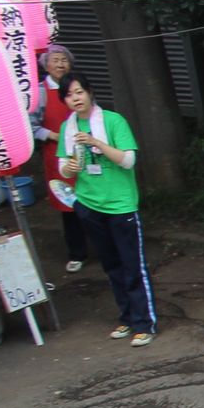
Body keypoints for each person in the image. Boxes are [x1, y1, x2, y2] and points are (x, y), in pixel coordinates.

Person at [55, 71, 156, 346]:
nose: (75, 98)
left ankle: (144, 323)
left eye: (79, 92)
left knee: (132, 265)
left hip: (120, 205)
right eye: (69, 95)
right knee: (111, 266)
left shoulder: (113, 121)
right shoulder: (68, 128)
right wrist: (69, 167)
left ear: (89, 93)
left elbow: (128, 160)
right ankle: (127, 318)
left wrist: (97, 143)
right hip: (89, 204)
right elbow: (63, 167)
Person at [34, 44, 90, 274]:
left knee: (94, 198)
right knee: (69, 204)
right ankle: (77, 253)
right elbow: (32, 126)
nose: (60, 64)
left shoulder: (77, 86)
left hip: (86, 148)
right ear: (46, 65)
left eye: (64, 60)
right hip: (57, 151)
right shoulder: (39, 92)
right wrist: (55, 135)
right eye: (55, 60)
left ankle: (105, 247)